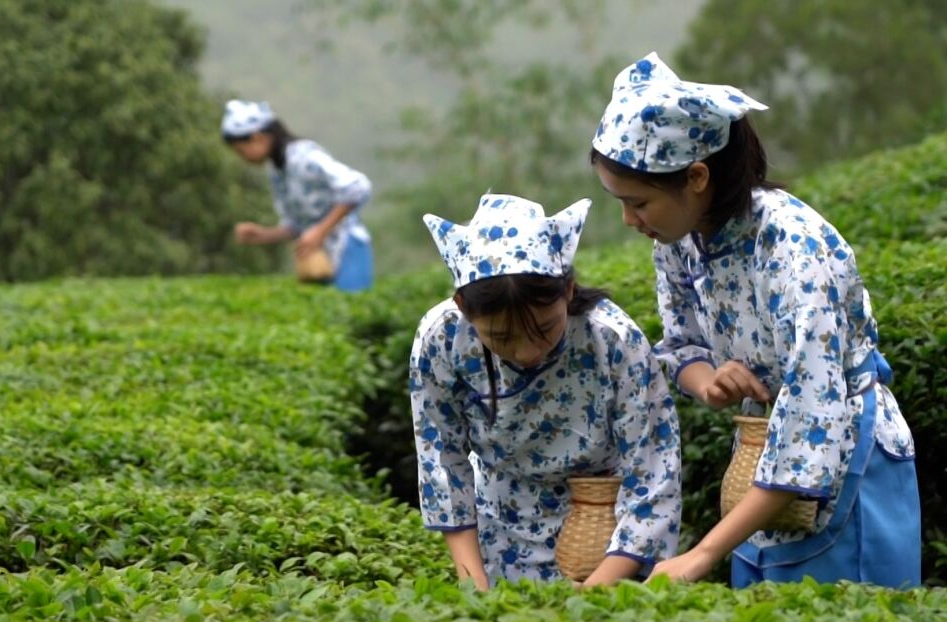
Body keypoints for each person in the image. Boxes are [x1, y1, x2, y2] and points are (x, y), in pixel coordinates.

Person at [590, 52, 921, 588]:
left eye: (639, 203)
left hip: (842, 463)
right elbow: (681, 343)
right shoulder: (681, 237)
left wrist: (703, 553)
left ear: (696, 177)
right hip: (759, 465)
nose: (629, 220)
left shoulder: (793, 248)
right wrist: (710, 383)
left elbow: (812, 414)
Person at [409, 192, 682, 588]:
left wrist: (597, 588)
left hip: (607, 532)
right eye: (501, 337)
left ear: (568, 291)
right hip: (499, 528)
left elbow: (654, 471)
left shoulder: (612, 341)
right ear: (464, 309)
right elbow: (442, 461)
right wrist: (475, 586)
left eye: (544, 330)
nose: (527, 352)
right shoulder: (442, 339)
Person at [221, 99, 374, 292]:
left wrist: (320, 232)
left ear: (258, 137)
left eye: (242, 151)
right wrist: (262, 235)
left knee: (351, 310)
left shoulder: (304, 156)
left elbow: (357, 186)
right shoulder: (277, 171)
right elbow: (298, 226)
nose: (243, 158)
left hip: (346, 247)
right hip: (317, 257)